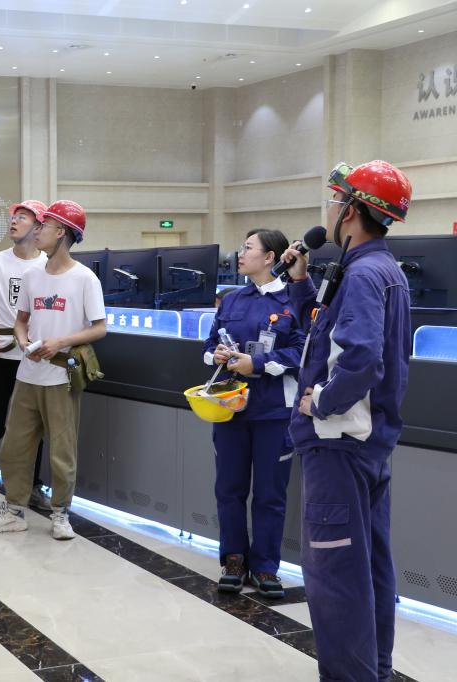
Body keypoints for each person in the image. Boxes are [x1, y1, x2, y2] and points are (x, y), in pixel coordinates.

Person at [283, 160, 413, 681]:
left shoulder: (362, 274)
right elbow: (329, 337)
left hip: (338, 445)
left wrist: (322, 401)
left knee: (335, 577)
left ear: (353, 212)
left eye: (336, 200)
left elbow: (360, 358)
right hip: (368, 445)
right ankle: (373, 671)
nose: (330, 208)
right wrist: (300, 284)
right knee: (370, 568)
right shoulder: (381, 271)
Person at [0, 200, 106, 540]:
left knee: (62, 451)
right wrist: (23, 342)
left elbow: (99, 327)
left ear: (61, 232)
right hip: (27, 375)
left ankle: (61, 513)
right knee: (14, 447)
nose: (37, 230)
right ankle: (14, 511)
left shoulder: (85, 279)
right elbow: (21, 321)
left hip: (61, 377)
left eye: (43, 226)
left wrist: (61, 341)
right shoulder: (32, 276)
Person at [202, 229, 305, 598]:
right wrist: (215, 354)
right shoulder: (231, 299)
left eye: (247, 248)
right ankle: (233, 560)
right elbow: (210, 344)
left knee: (269, 493)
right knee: (229, 489)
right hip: (231, 408)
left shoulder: (294, 299)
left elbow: (302, 353)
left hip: (273, 412)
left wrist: (257, 364)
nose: (240, 254)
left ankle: (265, 566)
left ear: (269, 257)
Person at [0, 200, 50, 516]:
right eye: (14, 217)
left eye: (23, 217)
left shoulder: (47, 263)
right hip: (1, 354)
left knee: (35, 425)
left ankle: (32, 485)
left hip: (34, 355)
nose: (14, 221)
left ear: (38, 226)